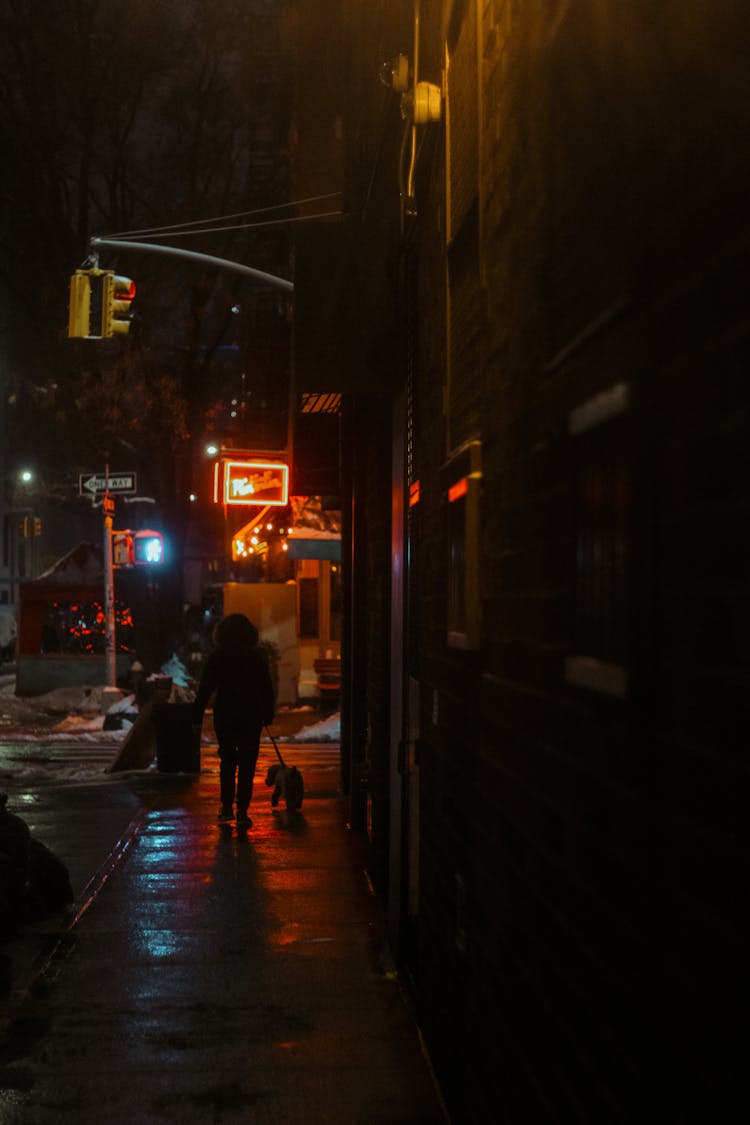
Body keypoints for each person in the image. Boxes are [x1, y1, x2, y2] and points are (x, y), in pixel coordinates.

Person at [192, 613, 275, 826]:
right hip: (251, 714)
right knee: (248, 764)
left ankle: (227, 806)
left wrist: (196, 714)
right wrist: (268, 713)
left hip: (226, 713)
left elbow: (206, 688)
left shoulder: (217, 657)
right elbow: (265, 687)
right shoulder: (256, 657)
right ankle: (243, 810)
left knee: (228, 761)